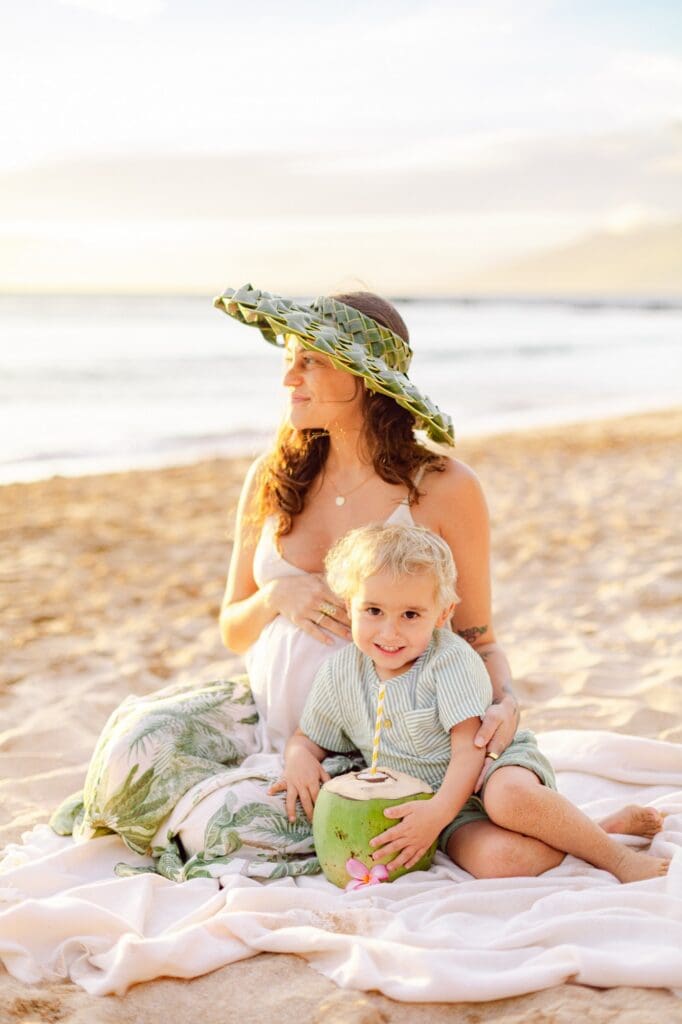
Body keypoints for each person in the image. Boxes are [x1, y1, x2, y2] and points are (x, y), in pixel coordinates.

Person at [52, 283, 626, 881]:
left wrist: (505, 701)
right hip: (272, 717)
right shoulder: (272, 476)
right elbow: (232, 629)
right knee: (132, 745)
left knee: (231, 827)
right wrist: (276, 596)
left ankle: (551, 829)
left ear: (364, 376)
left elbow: (478, 636)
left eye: (309, 361)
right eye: (288, 361)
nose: (288, 379)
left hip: (383, 740)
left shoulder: (444, 487)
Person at [277, 522, 668, 883]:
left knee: (507, 800)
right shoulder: (340, 674)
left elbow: (470, 751)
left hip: (491, 769)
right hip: (441, 809)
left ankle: (617, 858)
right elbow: (308, 738)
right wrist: (299, 758)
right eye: (373, 610)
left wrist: (437, 813)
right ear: (349, 606)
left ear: (442, 614)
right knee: (501, 862)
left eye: (410, 614)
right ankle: (598, 830)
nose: (389, 631)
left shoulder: (449, 660)